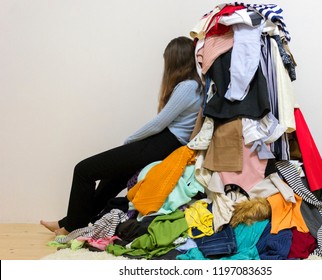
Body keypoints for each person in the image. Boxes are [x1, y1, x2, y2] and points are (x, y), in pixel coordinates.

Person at [40, 36, 204, 235]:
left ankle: (71, 227)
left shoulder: (188, 86)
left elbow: (159, 123)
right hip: (165, 143)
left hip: (165, 142)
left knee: (84, 170)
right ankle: (69, 222)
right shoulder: (194, 87)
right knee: (112, 180)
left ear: (175, 60)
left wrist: (130, 140)